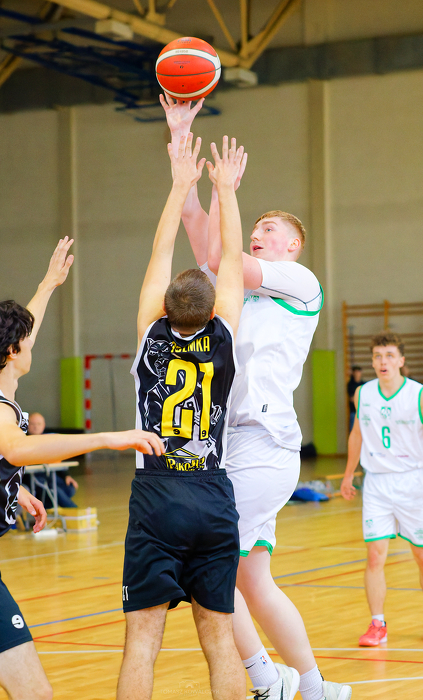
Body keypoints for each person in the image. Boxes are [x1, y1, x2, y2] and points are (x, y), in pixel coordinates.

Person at [160, 93, 352, 700]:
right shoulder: (234, 285)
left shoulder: (301, 283)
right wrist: (181, 139)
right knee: (253, 580)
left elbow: (223, 253)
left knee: (205, 566)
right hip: (236, 445)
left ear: (292, 245)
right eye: (256, 227)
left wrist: (228, 194)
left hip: (261, 442)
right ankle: (316, 688)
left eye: (271, 229)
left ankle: (267, 682)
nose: (259, 234)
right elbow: (199, 231)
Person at [0, 237, 163, 700]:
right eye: (25, 341)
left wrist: (49, 284)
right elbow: (17, 449)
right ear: (12, 352)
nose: (32, 343)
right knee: (37, 694)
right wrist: (109, 438)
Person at [117, 132, 249, 700]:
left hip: (157, 492)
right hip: (213, 492)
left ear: (165, 306)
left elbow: (161, 251)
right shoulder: (226, 334)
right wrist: (226, 191)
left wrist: (180, 187)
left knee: (142, 642)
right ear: (213, 309)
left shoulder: (150, 331)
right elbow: (233, 260)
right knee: (220, 640)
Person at [341, 331, 423, 646]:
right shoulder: (363, 394)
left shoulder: (417, 394)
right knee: (375, 556)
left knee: (420, 556)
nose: (383, 361)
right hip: (376, 482)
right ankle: (377, 624)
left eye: (389, 355)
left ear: (401, 360)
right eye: (377, 356)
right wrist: (349, 474)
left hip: (413, 481)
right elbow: (357, 434)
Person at [27, 412, 79, 509]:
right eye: (32, 424)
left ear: (43, 426)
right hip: (32, 477)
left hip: (50, 475)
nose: (36, 427)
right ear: (27, 425)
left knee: (69, 488)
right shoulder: (23, 441)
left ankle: (48, 507)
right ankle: (75, 511)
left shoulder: (48, 440)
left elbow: (57, 459)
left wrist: (66, 475)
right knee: (53, 490)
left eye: (38, 424)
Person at [347, 366, 365, 431]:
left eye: (358, 372)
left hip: (363, 411)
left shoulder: (363, 384)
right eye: (356, 372)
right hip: (354, 412)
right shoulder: (350, 385)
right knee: (353, 429)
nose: (357, 374)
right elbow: (351, 398)